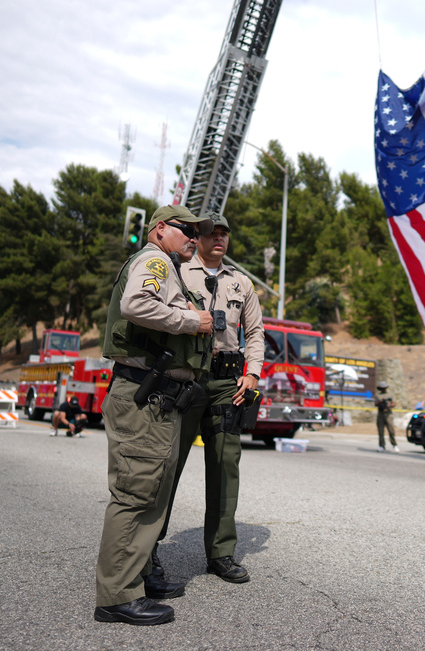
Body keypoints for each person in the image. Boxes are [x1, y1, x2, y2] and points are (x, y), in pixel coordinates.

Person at [93, 205, 214, 626]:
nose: (193, 239)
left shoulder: (168, 266)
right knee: (136, 494)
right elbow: (136, 304)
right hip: (145, 397)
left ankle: (137, 577)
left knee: (153, 493)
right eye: (186, 231)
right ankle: (117, 597)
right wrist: (190, 321)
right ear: (160, 229)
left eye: (197, 235)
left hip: (160, 399)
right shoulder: (155, 259)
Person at [154, 213, 265, 585]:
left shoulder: (241, 283)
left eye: (224, 234)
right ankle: (148, 548)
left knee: (224, 467)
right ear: (197, 238)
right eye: (211, 233)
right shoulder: (178, 271)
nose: (219, 239)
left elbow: (256, 332)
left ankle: (221, 552)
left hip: (227, 383)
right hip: (187, 378)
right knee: (169, 464)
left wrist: (252, 373)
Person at [375, 382, 399, 452]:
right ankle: (382, 445)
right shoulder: (378, 395)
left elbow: (394, 403)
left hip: (388, 414)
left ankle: (394, 444)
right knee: (381, 431)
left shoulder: (390, 394)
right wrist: (381, 402)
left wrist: (389, 406)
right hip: (381, 414)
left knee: (391, 430)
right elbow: (375, 404)